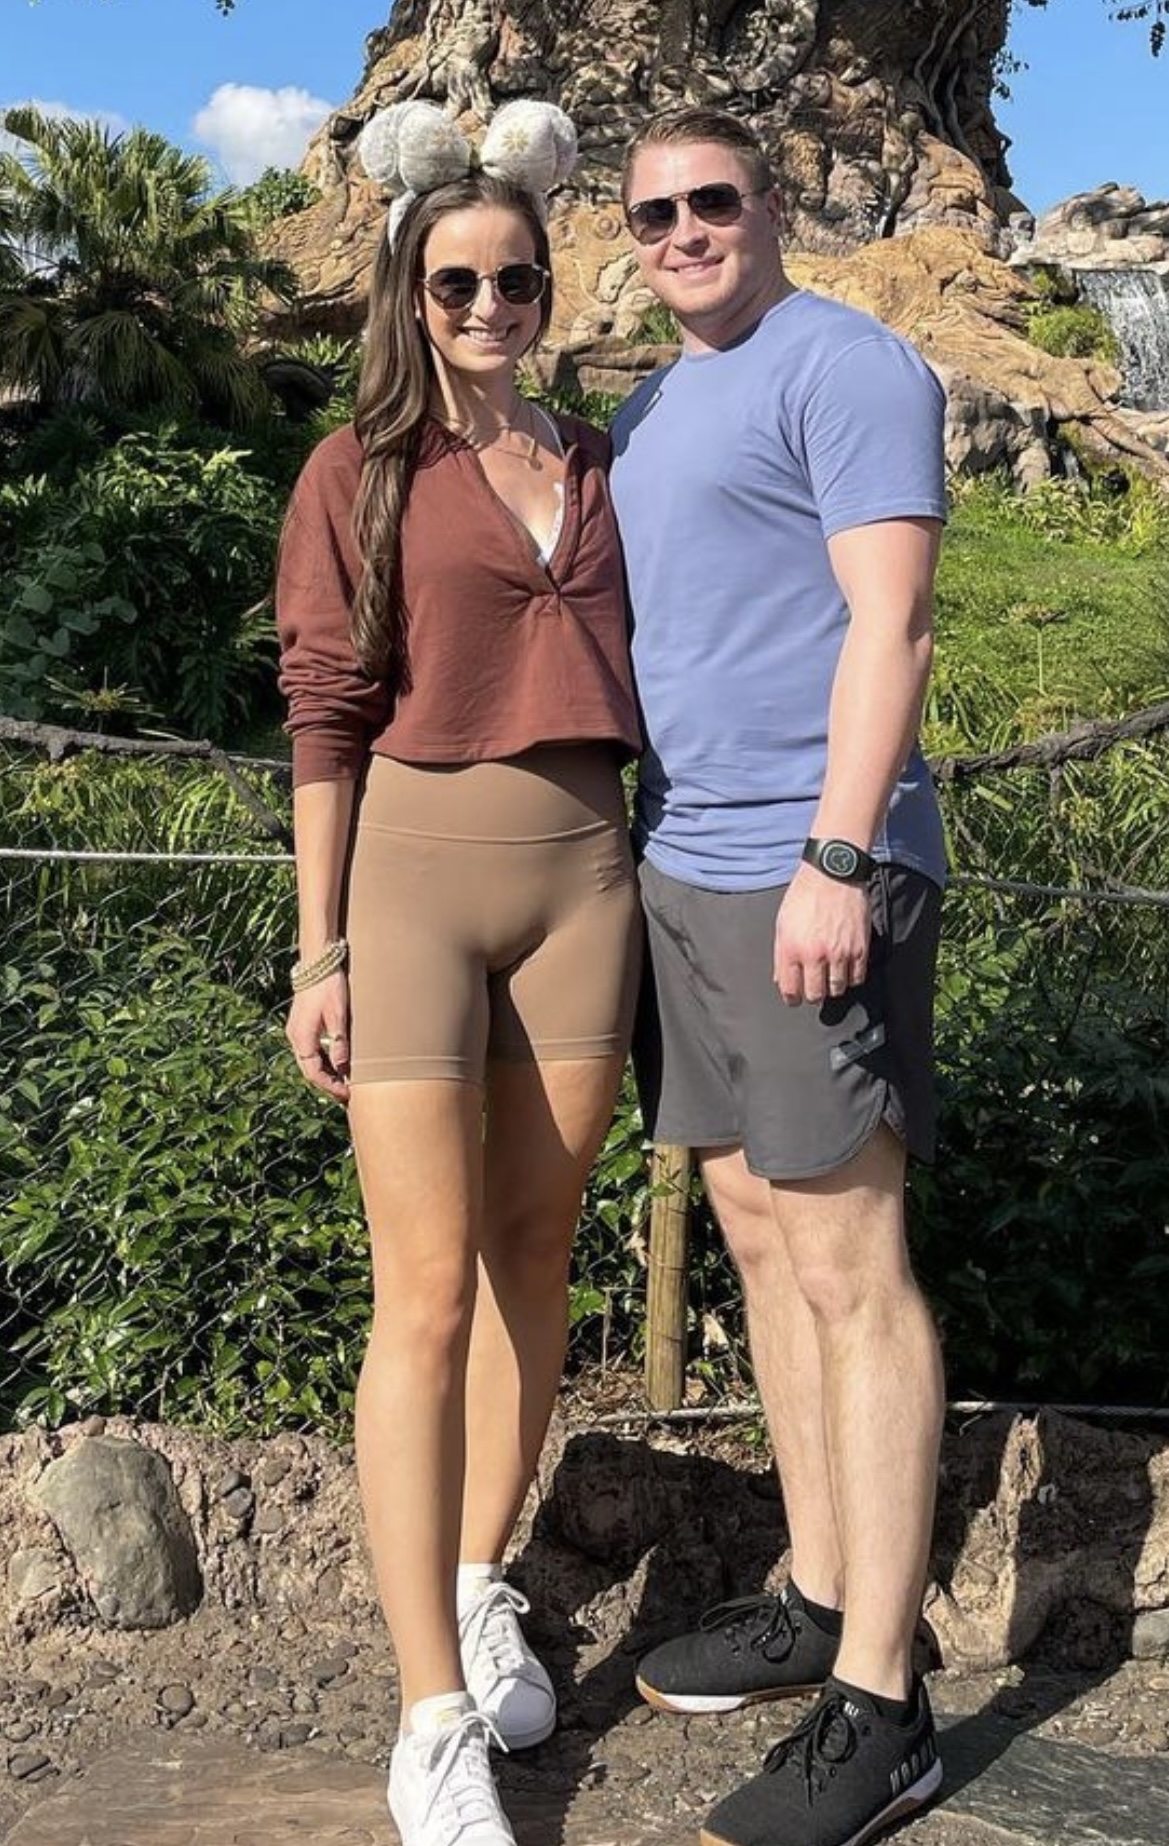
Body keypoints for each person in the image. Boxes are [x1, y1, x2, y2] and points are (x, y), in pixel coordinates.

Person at [275, 100, 641, 1846]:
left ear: (549, 286)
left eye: (515, 279)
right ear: (408, 295)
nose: (489, 306)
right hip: (414, 885)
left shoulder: (603, 459)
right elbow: (322, 715)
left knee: (532, 1256)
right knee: (418, 1295)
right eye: (455, 283)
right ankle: (429, 1714)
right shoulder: (358, 469)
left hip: (588, 884)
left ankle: (480, 1575)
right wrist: (320, 948)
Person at [609, 106, 948, 1846]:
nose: (683, 229)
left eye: (712, 199)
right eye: (652, 211)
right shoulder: (647, 405)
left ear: (774, 201)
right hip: (682, 861)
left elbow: (893, 620)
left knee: (848, 1258)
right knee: (752, 1223)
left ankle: (883, 1702)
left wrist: (835, 851)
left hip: (805, 870)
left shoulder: (847, 364)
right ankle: (815, 1588)